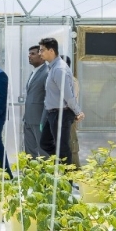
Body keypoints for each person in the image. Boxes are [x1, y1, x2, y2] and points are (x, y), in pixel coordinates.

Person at [39, 38, 84, 166]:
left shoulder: (59, 69)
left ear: (51, 51)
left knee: (63, 148)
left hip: (61, 113)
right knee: (45, 143)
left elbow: (68, 95)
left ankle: (67, 182)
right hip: (53, 113)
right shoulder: (53, 68)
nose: (40, 53)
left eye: (42, 50)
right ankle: (61, 164)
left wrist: (78, 111)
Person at [23, 44, 49, 157]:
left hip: (39, 119)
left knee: (43, 150)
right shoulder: (33, 72)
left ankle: (45, 173)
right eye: (29, 54)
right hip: (28, 118)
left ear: (41, 56)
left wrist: (44, 120)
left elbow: (48, 98)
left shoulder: (47, 72)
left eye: (33, 54)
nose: (29, 56)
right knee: (29, 151)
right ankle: (30, 173)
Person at [65, 55, 81, 163]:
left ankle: (74, 169)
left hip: (68, 115)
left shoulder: (71, 80)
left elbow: (72, 100)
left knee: (71, 141)